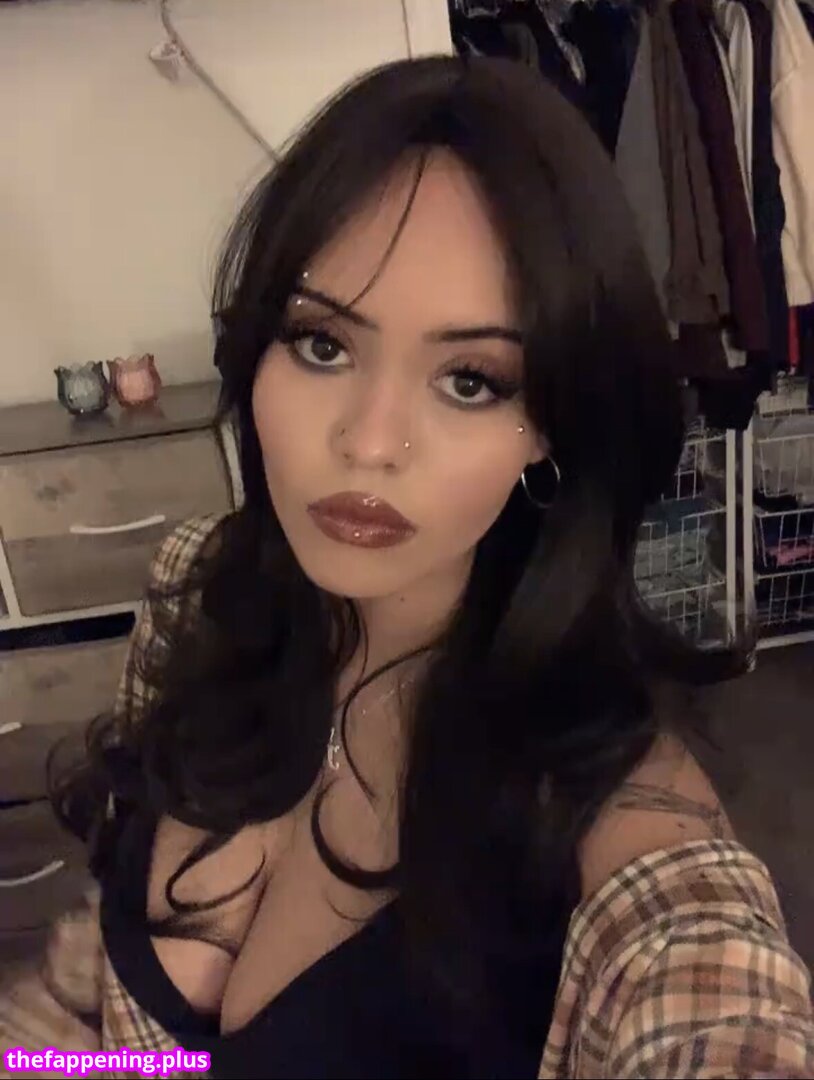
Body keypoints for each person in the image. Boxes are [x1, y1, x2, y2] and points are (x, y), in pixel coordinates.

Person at [2, 55, 812, 1080]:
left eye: (470, 379)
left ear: (551, 424)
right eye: (322, 344)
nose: (370, 441)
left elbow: (709, 998)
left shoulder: (619, 832)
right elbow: (135, 1034)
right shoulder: (200, 590)